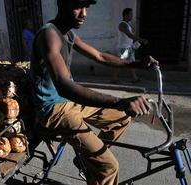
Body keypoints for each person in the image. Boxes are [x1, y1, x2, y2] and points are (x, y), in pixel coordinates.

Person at [30, 0, 158, 185]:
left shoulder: (69, 34)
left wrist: (137, 63)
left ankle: (85, 160)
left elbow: (99, 56)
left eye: (87, 7)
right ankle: (96, 165)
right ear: (61, 4)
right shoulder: (49, 35)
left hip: (69, 103)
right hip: (54, 109)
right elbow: (64, 86)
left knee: (121, 118)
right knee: (109, 167)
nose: (84, 13)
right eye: (78, 6)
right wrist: (119, 101)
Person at [111, 8, 148, 83]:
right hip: (124, 48)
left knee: (130, 63)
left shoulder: (127, 24)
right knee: (121, 63)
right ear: (125, 15)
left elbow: (130, 36)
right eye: (130, 14)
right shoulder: (122, 24)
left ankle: (134, 78)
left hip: (128, 47)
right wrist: (141, 40)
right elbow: (129, 35)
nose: (132, 16)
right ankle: (114, 78)